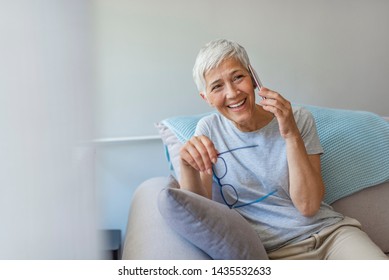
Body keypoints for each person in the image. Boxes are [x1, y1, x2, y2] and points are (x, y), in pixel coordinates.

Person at [179, 39, 387, 260]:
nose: (232, 93)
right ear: (206, 98)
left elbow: (308, 206)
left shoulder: (298, 119)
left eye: (238, 77)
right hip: (276, 253)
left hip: (332, 235)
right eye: (217, 86)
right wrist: (187, 167)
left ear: (253, 78)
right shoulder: (209, 130)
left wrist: (291, 134)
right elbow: (199, 211)